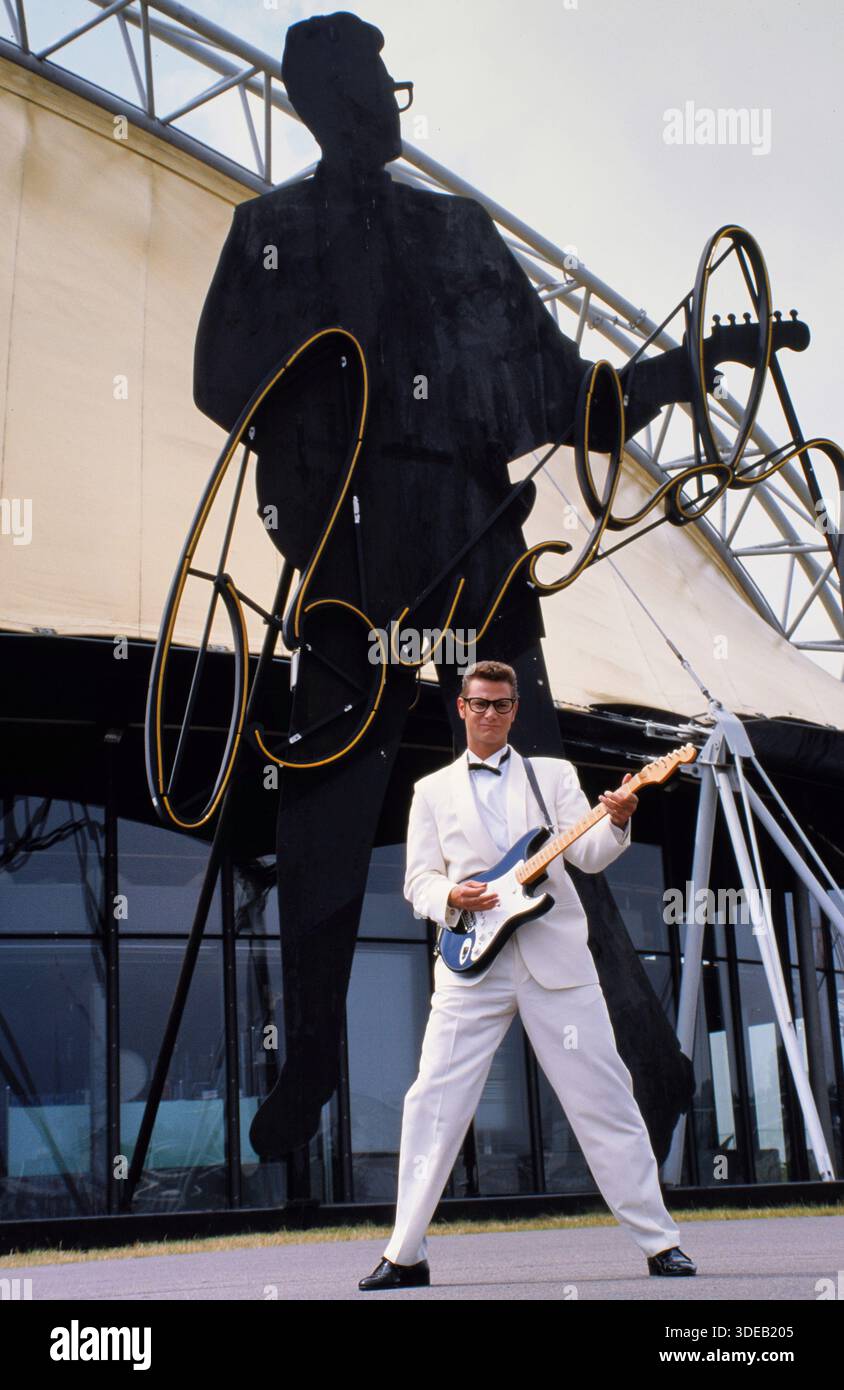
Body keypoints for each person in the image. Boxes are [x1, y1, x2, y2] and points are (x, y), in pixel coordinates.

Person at [193, 11, 711, 1158]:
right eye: (374, 85)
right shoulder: (267, 230)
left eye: (392, 87)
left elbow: (560, 394)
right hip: (350, 561)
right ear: (323, 99)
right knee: (322, 815)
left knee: (543, 812)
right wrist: (328, 448)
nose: (388, 104)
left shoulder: (459, 233)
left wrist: (684, 371)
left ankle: (649, 1066)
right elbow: (222, 383)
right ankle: (315, 1061)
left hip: (473, 555)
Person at [359, 659, 696, 1289]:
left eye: (503, 705)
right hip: (470, 967)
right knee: (431, 1102)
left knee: (604, 1099)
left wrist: (619, 816)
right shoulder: (430, 791)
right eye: (479, 703)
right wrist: (451, 897)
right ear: (461, 708)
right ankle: (404, 1253)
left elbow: (590, 856)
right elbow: (418, 881)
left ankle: (660, 1243)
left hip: (556, 963)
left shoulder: (554, 777)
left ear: (516, 710)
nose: (490, 714)